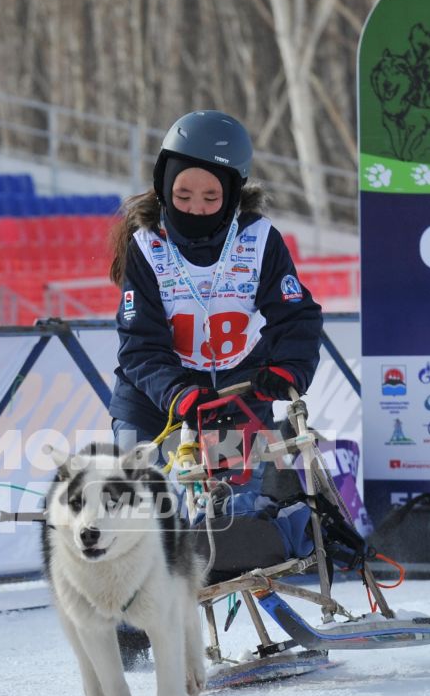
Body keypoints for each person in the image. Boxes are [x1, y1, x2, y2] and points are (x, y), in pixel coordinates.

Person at [105, 109, 326, 661]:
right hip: (156, 399)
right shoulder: (146, 245)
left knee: (231, 513)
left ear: (232, 193)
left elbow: (297, 318)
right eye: (184, 194)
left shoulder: (259, 240)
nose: (197, 208)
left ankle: (259, 624)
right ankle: (132, 633)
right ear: (163, 185)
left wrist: (283, 373)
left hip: (231, 396)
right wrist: (180, 394)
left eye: (211, 197)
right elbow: (140, 347)